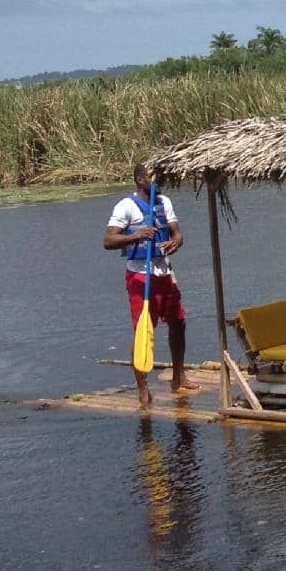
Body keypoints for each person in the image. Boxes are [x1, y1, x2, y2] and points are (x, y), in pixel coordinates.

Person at [104, 162, 200, 408]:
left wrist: (175, 242)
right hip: (140, 276)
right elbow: (109, 240)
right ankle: (143, 389)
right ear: (139, 179)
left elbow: (178, 233)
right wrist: (137, 235)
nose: (156, 181)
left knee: (178, 322)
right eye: (150, 176)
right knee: (143, 330)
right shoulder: (126, 206)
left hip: (165, 272)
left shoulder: (164, 203)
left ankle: (179, 377)